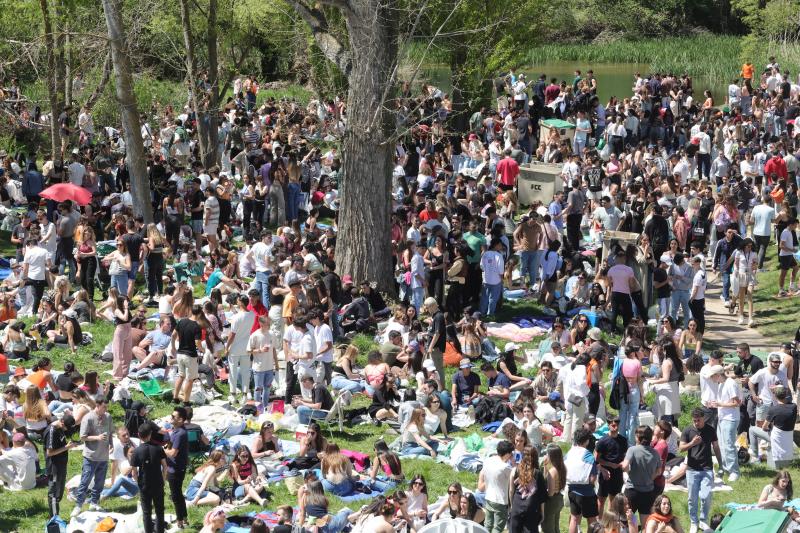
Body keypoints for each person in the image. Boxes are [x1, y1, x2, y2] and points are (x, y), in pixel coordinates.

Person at [679, 408, 722, 533]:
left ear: (704, 418)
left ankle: (703, 520)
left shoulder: (710, 430)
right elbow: (681, 448)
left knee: (706, 495)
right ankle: (694, 521)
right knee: (692, 498)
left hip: (707, 468)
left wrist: (721, 464)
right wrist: (692, 443)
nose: (697, 423)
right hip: (692, 469)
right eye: (694, 420)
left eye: (699, 420)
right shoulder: (688, 430)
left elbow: (716, 446)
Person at [72, 397, 115, 518]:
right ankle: (78, 505)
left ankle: (94, 503)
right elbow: (82, 437)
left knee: (100, 482)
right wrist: (97, 437)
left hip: (103, 456)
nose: (106, 409)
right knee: (85, 482)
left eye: (107, 407)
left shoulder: (108, 417)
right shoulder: (88, 418)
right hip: (90, 456)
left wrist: (111, 443)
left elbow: (111, 432)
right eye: (104, 407)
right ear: (98, 405)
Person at [706, 364, 742, 483]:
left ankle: (734, 471)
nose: (711, 379)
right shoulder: (721, 384)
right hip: (723, 418)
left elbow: (737, 403)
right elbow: (725, 402)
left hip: (730, 419)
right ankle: (726, 468)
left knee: (729, 445)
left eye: (712, 376)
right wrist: (714, 404)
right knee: (721, 444)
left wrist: (720, 404)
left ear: (718, 375)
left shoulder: (730, 384)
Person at [131, 423, 168, 533]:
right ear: (151, 434)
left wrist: (139, 483)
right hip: (158, 482)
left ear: (138, 435)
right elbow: (165, 466)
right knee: (160, 510)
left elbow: (134, 473)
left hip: (144, 484)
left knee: (146, 512)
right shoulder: (158, 448)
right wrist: (163, 480)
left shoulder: (136, 451)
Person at [620, 425, 660, 526]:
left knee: (625, 522)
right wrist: (650, 478)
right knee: (646, 524)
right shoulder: (655, 453)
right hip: (648, 492)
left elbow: (624, 466)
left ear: (638, 437)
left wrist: (629, 472)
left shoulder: (632, 450)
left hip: (632, 491)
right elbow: (659, 471)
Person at [748, 385, 797, 468]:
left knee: (752, 430)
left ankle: (755, 458)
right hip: (788, 435)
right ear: (786, 394)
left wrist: (769, 428)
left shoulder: (774, 409)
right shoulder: (793, 407)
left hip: (777, 437)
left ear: (774, 396)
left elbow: (764, 427)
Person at [566, 428, 599, 533]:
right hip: (587, 493)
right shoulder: (588, 455)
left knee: (574, 519)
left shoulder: (569, 453)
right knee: (592, 521)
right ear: (587, 441)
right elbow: (592, 479)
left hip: (572, 491)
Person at [44, 414, 77, 517]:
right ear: (62, 421)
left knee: (59, 492)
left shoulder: (59, 428)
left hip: (61, 465)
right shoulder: (51, 431)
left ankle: (55, 516)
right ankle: (54, 519)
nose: (66, 429)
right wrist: (67, 447)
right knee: (54, 494)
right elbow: (49, 452)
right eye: (66, 427)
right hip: (54, 467)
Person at [478, 439, 513, 533]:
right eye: (510, 453)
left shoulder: (488, 461)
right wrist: (513, 463)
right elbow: (514, 479)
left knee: (487, 525)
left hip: (488, 497)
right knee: (498, 528)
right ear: (507, 454)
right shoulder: (506, 467)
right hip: (501, 501)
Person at [595, 414, 628, 514]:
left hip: (617, 473)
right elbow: (596, 459)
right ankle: (599, 522)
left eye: (617, 424)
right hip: (605, 474)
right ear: (608, 425)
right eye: (612, 424)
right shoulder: (602, 441)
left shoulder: (623, 440)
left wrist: (624, 463)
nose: (615, 426)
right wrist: (609, 465)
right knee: (601, 500)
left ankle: (609, 522)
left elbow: (625, 455)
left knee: (613, 500)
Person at [171, 304, 204, 405]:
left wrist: (173, 347)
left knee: (181, 376)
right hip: (190, 355)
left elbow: (173, 335)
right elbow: (197, 343)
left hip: (180, 354)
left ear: (191, 312)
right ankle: (186, 401)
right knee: (190, 379)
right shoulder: (197, 326)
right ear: (200, 313)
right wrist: (202, 350)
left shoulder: (182, 321)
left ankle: (175, 398)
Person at [226, 294, 256, 403]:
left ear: (241, 302)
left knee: (233, 372)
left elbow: (232, 334)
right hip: (246, 346)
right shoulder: (252, 315)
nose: (236, 302)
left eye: (238, 300)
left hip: (235, 347)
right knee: (246, 371)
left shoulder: (236, 317)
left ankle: (233, 395)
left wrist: (227, 347)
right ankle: (245, 394)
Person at [164, 407, 189, 529]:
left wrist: (161, 450)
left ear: (180, 420)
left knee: (175, 496)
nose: (171, 418)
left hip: (176, 469)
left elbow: (173, 453)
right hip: (175, 468)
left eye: (173, 416)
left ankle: (180, 521)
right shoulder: (175, 430)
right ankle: (184, 518)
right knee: (178, 494)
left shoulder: (180, 433)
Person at [423, 297, 446, 388]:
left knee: (437, 369)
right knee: (432, 368)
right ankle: (435, 387)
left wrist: (430, 347)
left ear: (432, 306)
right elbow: (434, 331)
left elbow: (437, 333)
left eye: (427, 307)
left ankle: (441, 389)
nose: (427, 310)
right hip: (433, 346)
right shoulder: (434, 315)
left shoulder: (439, 316)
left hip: (436, 347)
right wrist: (427, 333)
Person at [777, 217, 799, 297]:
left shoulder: (790, 232)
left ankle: (792, 286)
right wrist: (792, 250)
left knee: (796, 268)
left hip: (789, 255)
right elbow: (781, 246)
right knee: (783, 274)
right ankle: (781, 290)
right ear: (791, 224)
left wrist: (792, 250)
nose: (796, 227)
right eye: (795, 225)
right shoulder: (785, 232)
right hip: (785, 256)